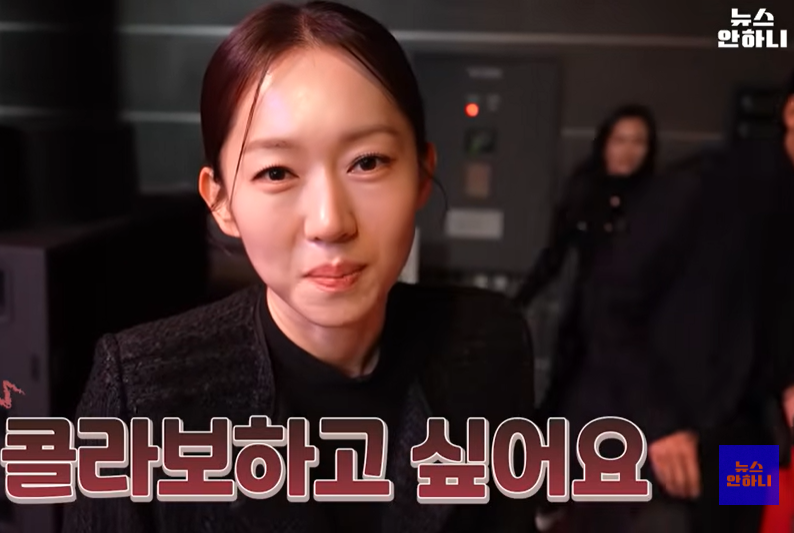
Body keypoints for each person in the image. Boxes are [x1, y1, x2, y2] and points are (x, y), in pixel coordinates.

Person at [62, 2, 535, 533]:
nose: (330, 222)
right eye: (277, 172)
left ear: (423, 174)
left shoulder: (486, 342)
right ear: (220, 201)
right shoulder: (144, 395)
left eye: (368, 162)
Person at [561, 71, 794, 533]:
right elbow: (608, 302)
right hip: (649, 426)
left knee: (738, 524)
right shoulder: (704, 183)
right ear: (791, 112)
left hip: (746, 438)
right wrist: (659, 423)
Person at [514, 105, 658, 430]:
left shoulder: (657, 198)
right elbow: (553, 256)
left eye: (638, 142)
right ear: (604, 143)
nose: (628, 151)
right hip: (586, 314)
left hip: (638, 320)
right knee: (563, 402)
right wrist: (518, 302)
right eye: (620, 140)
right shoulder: (584, 190)